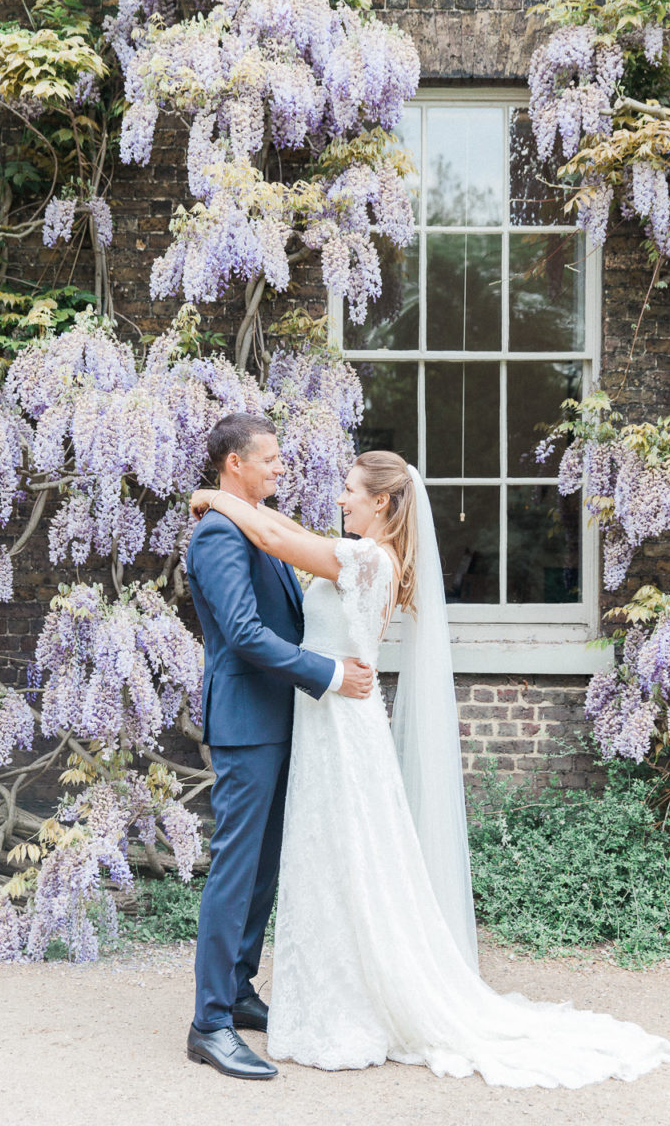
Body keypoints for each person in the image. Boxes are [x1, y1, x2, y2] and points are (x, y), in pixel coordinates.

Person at [189, 448, 670, 1087]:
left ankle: (319, 998)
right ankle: (252, 996)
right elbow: (275, 557)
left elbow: (279, 538)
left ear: (383, 502)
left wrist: (216, 497)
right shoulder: (370, 555)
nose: (339, 499)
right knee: (323, 858)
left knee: (344, 858)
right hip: (324, 717)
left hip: (338, 717)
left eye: (349, 491)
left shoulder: (366, 557)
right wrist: (230, 505)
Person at [184, 413, 374, 1081]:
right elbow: (241, 633)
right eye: (268, 459)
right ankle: (208, 1023)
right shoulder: (216, 535)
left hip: (282, 717)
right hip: (247, 721)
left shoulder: (255, 523)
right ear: (234, 463)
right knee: (236, 869)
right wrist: (327, 674)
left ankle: (236, 991)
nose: (281, 467)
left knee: (263, 868)